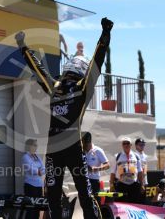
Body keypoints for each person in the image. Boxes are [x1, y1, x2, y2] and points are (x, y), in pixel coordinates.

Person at [15, 17, 113, 219]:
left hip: (71, 148)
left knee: (85, 194)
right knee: (52, 196)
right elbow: (38, 69)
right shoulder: (55, 87)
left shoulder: (82, 88)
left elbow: (96, 63)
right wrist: (23, 47)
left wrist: (104, 36)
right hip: (53, 149)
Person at [109, 137, 144, 203]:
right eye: (124, 143)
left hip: (133, 184)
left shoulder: (136, 156)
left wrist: (142, 184)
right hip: (121, 185)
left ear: (131, 145)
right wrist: (111, 185)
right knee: (120, 204)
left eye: (127, 143)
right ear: (122, 145)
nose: (126, 145)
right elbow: (112, 172)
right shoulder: (117, 156)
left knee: (134, 204)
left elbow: (140, 171)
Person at [83, 131, 110, 203]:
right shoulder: (82, 151)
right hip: (83, 180)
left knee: (95, 203)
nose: (82, 146)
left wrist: (96, 169)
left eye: (84, 144)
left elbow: (107, 165)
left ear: (88, 142)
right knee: (85, 203)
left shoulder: (98, 150)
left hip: (94, 181)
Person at [22, 139, 45, 219]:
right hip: (30, 186)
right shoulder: (25, 157)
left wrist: (39, 171)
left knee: (37, 210)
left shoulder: (37, 156)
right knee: (31, 210)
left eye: (36, 145)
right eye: (34, 145)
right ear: (29, 146)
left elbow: (43, 169)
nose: (36, 147)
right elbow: (32, 170)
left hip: (39, 186)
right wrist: (38, 170)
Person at [134, 138, 148, 203]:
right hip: (137, 180)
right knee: (137, 199)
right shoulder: (134, 155)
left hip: (144, 180)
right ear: (136, 146)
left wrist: (144, 172)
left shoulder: (144, 155)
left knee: (143, 199)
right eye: (140, 145)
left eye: (143, 145)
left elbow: (145, 164)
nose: (142, 146)